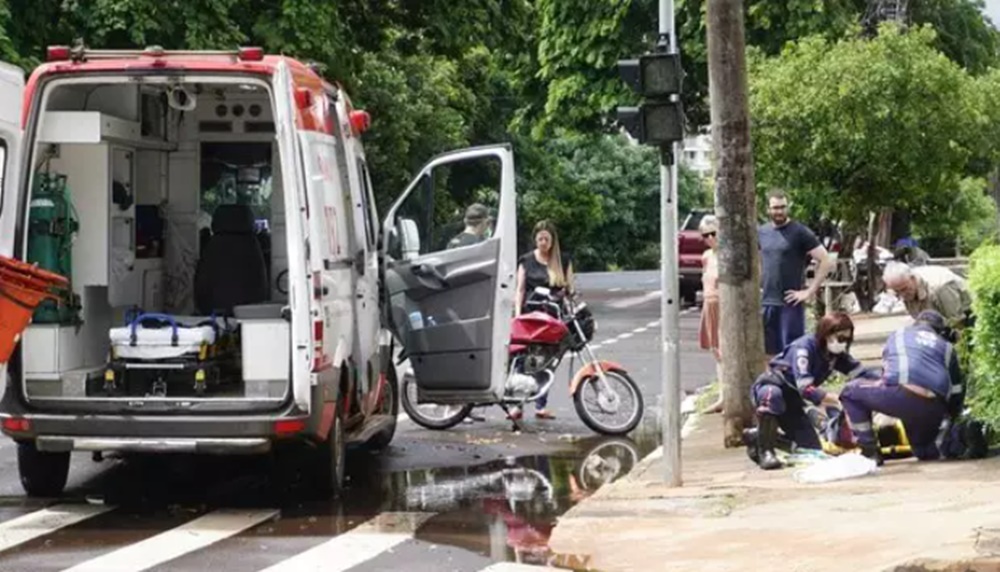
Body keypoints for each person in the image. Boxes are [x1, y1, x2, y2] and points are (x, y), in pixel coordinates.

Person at [839, 310, 988, 464]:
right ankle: (960, 436)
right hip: (934, 405)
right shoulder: (947, 347)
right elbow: (957, 390)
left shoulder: (898, 335)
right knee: (924, 451)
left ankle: (869, 451)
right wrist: (950, 418)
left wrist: (880, 402)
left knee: (849, 392)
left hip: (902, 396)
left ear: (916, 324)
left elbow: (887, 374)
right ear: (940, 331)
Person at [747, 312, 878, 470]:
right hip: (771, 388)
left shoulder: (833, 355)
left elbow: (862, 373)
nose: (843, 343)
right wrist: (839, 399)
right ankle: (765, 452)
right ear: (826, 334)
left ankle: (758, 437)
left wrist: (887, 380)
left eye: (847, 339)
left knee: (811, 450)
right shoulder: (804, 349)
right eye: (841, 338)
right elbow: (806, 389)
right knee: (773, 396)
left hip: (793, 402)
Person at [758, 191, 835, 359]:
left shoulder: (799, 232)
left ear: (788, 207)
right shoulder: (761, 232)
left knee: (793, 352)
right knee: (769, 354)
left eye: (783, 207)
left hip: (790, 303)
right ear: (768, 209)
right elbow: (758, 261)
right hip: (766, 302)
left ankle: (793, 385)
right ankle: (774, 384)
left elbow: (826, 260)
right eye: (775, 208)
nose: (779, 211)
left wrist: (809, 291)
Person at [512, 220, 574, 420]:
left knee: (547, 362)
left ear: (553, 240)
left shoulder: (562, 261)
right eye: (540, 239)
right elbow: (520, 289)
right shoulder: (526, 260)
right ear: (535, 240)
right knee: (523, 360)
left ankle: (540, 405)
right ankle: (517, 406)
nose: (543, 242)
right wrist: (518, 313)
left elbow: (569, 289)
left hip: (553, 317)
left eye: (547, 239)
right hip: (531, 317)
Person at [882, 261, 972, 326]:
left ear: (912, 279)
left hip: (968, 315)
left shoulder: (939, 287)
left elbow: (957, 322)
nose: (902, 295)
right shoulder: (906, 285)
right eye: (897, 291)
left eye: (904, 289)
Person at [697, 215, 724, 414]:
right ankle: (722, 396)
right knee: (716, 351)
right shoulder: (707, 256)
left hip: (723, 306)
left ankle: (729, 395)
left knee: (725, 351)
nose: (710, 238)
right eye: (705, 235)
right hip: (709, 304)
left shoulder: (725, 256)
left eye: (713, 233)